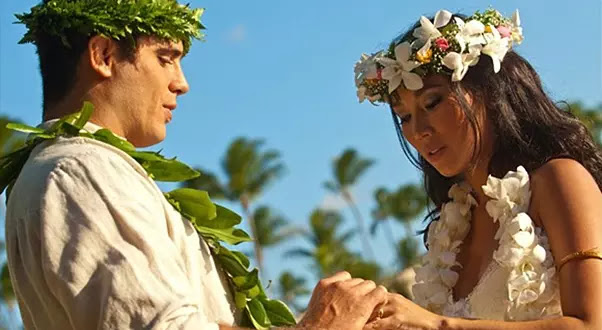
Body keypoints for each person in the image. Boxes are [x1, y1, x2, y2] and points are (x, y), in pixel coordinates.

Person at [4, 1, 387, 329]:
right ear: (103, 55)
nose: (181, 83)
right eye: (165, 59)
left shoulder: (82, 168)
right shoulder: (78, 171)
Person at [354, 8, 602, 329]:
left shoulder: (559, 180)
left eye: (432, 103)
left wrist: (438, 324)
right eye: (404, 117)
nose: (417, 131)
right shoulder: (453, 225)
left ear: (487, 92)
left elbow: (592, 323)